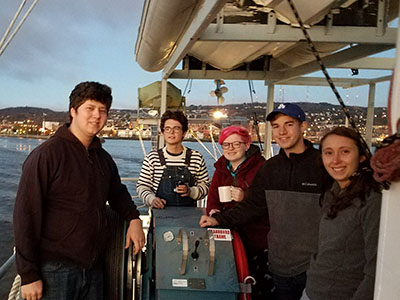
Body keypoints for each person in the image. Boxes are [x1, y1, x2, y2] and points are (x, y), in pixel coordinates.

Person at [13, 81, 145, 300]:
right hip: (54, 271)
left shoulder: (102, 158)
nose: (97, 116)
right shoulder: (47, 155)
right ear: (73, 111)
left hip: (93, 269)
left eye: (102, 111)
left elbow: (118, 193)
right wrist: (28, 275)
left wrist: (134, 219)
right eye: (90, 108)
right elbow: (25, 215)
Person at [200, 103, 332, 300]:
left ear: (303, 126)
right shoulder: (270, 168)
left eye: (289, 124)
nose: (282, 132)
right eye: (276, 126)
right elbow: (252, 206)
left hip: (315, 266)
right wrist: (219, 219)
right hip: (279, 264)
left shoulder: (323, 164)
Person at [301, 127, 382, 300]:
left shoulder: (371, 201)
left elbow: (376, 269)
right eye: (328, 153)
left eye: (345, 151)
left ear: (361, 157)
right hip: (312, 290)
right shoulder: (334, 191)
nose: (336, 160)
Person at [206, 125, 271, 299]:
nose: (230, 148)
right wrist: (213, 211)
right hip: (229, 237)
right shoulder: (221, 169)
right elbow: (213, 197)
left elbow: (263, 203)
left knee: (254, 285)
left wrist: (245, 197)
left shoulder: (261, 168)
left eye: (236, 144)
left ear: (247, 145)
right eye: (226, 145)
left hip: (255, 239)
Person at [137, 110, 209, 208]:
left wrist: (190, 191)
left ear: (184, 132)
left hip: (189, 216)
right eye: (167, 128)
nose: (171, 132)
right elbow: (142, 186)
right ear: (162, 132)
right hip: (160, 215)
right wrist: (152, 199)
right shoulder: (152, 158)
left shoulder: (196, 157)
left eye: (176, 128)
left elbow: (205, 186)